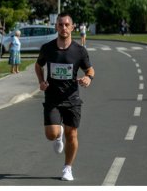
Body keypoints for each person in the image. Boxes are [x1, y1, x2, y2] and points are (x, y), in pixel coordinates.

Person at [35, 13, 94, 182]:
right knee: (51, 134)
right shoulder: (47, 48)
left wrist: (88, 78)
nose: (64, 28)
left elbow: (90, 70)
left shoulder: (79, 51)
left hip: (72, 98)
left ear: (72, 27)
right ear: (56, 27)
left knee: (72, 134)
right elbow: (38, 65)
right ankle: (58, 133)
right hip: (52, 97)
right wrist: (41, 81)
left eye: (67, 25)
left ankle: (67, 168)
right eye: (60, 25)